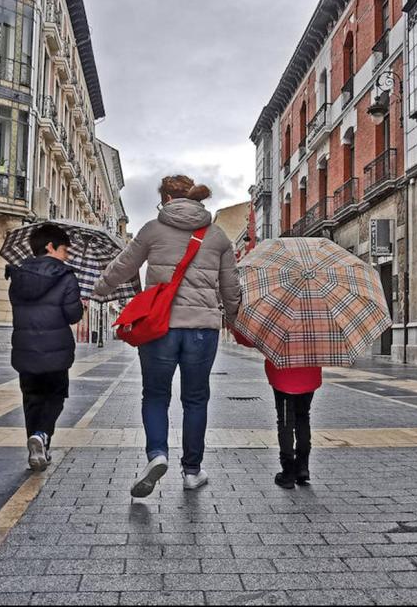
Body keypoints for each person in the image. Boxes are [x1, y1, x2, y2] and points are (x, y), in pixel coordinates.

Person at [94, 175, 241, 497]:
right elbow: (230, 287)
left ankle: (157, 454)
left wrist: (99, 289)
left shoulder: (152, 228)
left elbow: (123, 266)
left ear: (166, 199)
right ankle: (192, 471)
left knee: (156, 396)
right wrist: (232, 316)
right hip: (202, 329)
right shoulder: (216, 236)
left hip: (158, 327)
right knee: (196, 398)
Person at [6, 224, 84, 472]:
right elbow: (73, 316)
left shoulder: (17, 276)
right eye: (64, 250)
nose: (66, 256)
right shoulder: (66, 276)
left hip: (25, 348)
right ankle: (41, 436)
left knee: (32, 398)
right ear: (50, 247)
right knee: (55, 397)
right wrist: (79, 304)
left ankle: (37, 450)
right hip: (55, 350)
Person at [232, 330, 322, 489]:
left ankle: (287, 473)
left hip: (283, 375)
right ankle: (302, 467)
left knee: (286, 421)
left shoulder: (277, 310)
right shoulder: (316, 312)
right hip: (309, 372)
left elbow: (249, 338)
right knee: (303, 417)